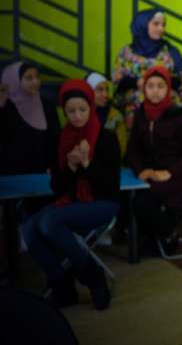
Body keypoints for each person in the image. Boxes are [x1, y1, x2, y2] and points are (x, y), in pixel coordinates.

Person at [22, 79, 120, 310]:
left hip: (104, 202)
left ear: (91, 107)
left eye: (82, 109)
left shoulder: (106, 138)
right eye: (71, 110)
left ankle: (93, 277)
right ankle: (63, 288)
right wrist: (72, 168)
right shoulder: (59, 139)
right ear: (64, 110)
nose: (77, 116)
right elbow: (58, 186)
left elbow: (110, 187)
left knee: (48, 221)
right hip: (72, 201)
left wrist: (86, 163)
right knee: (29, 228)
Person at [125, 65, 182, 254]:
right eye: (151, 86)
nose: (155, 91)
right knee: (136, 200)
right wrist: (141, 170)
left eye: (160, 86)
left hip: (175, 176)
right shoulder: (140, 113)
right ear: (144, 89)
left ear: (168, 89)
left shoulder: (179, 115)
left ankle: (168, 236)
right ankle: (162, 235)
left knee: (147, 201)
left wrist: (169, 173)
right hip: (149, 175)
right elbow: (133, 149)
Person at [112, 8, 182, 130]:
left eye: (163, 25)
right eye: (156, 24)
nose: (161, 29)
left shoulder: (170, 51)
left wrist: (160, 82)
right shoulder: (127, 52)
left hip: (165, 112)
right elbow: (118, 83)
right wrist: (138, 82)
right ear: (142, 25)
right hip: (135, 113)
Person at [0, 61, 60, 176]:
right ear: (14, 80)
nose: (36, 81)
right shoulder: (6, 107)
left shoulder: (47, 106)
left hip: (43, 174)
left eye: (37, 77)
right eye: (29, 78)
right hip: (11, 174)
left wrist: (54, 166)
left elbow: (55, 141)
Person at [85, 72, 127, 160]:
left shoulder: (116, 117)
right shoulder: (81, 115)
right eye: (100, 90)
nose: (105, 95)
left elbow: (121, 148)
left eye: (106, 90)